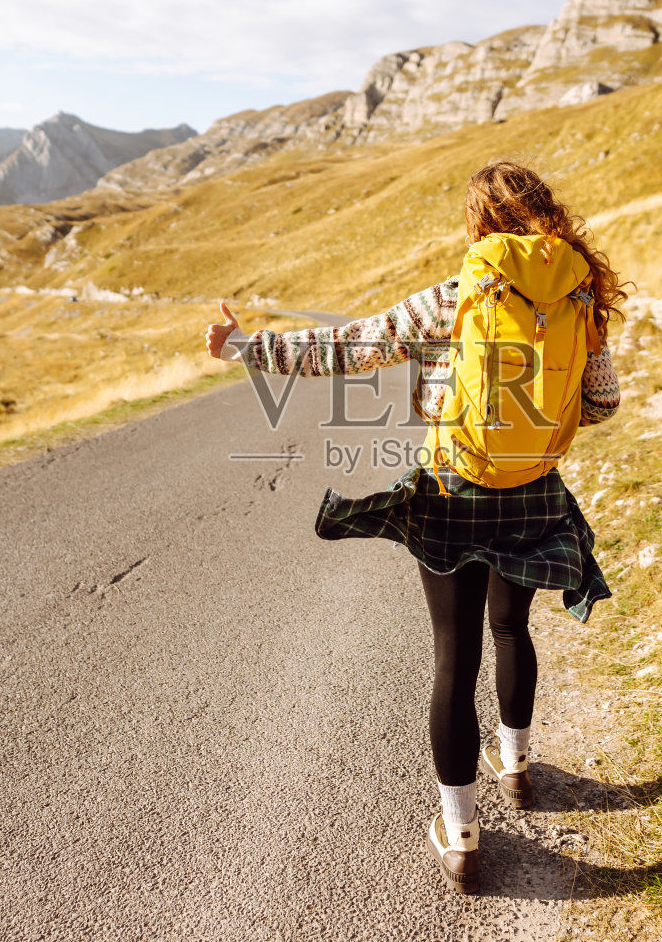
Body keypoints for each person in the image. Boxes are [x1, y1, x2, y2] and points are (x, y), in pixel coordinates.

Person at [203, 160, 623, 894]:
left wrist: (247, 346)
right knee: (512, 631)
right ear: (544, 213)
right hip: (530, 491)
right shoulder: (582, 290)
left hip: (453, 491)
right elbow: (602, 403)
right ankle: (517, 766)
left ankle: (461, 835)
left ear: (479, 223)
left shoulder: (455, 296)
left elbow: (349, 347)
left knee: (452, 661)